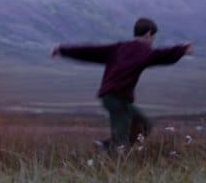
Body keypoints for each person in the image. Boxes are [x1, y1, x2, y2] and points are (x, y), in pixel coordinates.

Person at [51, 18, 193, 150]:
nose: (152, 42)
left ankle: (106, 146)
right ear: (149, 34)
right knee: (121, 140)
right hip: (117, 99)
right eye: (153, 38)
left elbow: (90, 52)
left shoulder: (119, 48)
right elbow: (162, 55)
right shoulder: (143, 52)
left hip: (111, 97)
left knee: (144, 125)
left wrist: (62, 50)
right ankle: (115, 155)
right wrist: (182, 50)